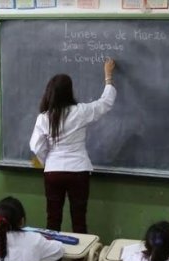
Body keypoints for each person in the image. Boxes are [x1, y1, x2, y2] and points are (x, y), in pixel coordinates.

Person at [29, 58, 117, 234]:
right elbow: (105, 103)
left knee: (53, 219)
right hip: (78, 171)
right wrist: (108, 77)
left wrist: (48, 161)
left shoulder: (44, 117)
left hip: (53, 172)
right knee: (79, 220)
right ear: (69, 92)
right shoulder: (80, 112)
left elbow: (36, 146)